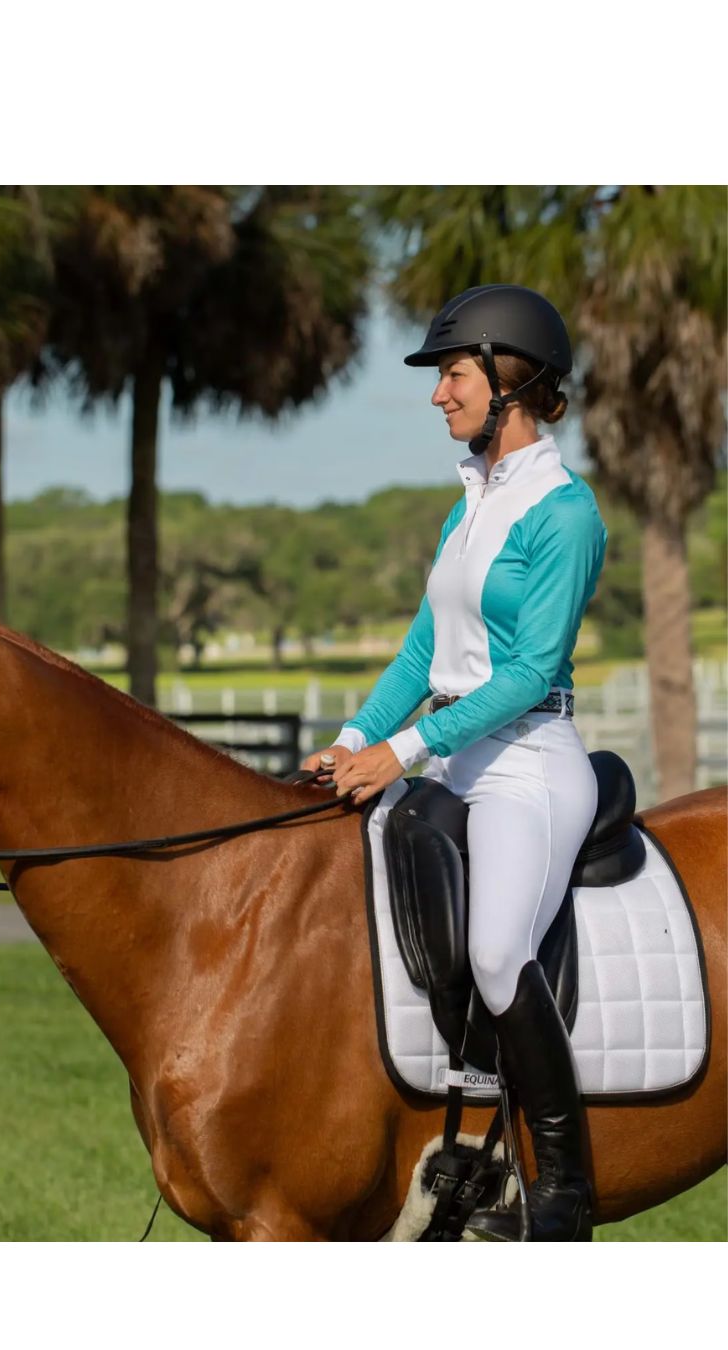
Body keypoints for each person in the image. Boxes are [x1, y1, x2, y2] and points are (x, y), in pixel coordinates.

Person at [302, 284, 607, 1241]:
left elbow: (524, 674)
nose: (440, 394)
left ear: (509, 385)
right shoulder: (469, 505)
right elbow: (419, 654)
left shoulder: (564, 513)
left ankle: (562, 1181)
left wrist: (405, 750)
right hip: (452, 761)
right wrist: (355, 742)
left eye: (454, 375)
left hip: (528, 763)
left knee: (494, 949)